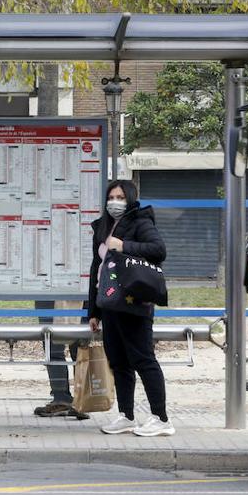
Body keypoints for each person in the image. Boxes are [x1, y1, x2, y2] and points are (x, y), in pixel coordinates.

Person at [88, 179, 174, 437]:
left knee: (143, 359)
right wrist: (92, 311)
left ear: (130, 199)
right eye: (111, 196)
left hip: (135, 303)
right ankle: (126, 415)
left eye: (120, 197)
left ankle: (161, 418)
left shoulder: (140, 221)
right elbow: (97, 269)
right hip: (110, 303)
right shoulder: (103, 227)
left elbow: (158, 250)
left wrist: (124, 246)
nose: (115, 202)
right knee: (119, 361)